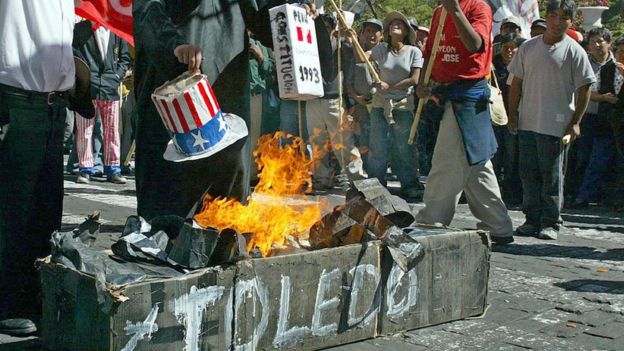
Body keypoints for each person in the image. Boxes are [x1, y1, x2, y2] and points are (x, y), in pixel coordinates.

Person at [0, 0, 76, 335]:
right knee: (13, 212)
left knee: (46, 212)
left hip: (53, 104)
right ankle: (7, 303)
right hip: (17, 99)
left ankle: (35, 297)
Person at [415, 0, 514, 244]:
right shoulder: (439, 11)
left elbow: (475, 44)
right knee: (475, 163)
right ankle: (497, 224)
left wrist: (455, 11)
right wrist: (423, 81)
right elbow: (431, 51)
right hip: (444, 92)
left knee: (446, 159)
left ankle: (432, 219)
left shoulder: (479, 7)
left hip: (467, 95)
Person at [507, 0, 595, 240]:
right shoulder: (528, 48)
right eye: (553, 16)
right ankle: (531, 219)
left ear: (571, 21)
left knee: (552, 177)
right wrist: (512, 113)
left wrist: (576, 121)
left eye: (563, 18)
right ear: (547, 17)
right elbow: (516, 82)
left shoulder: (574, 50)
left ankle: (551, 222)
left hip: (556, 126)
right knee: (529, 174)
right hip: (527, 122)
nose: (557, 23)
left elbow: (585, 87)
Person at [357, 11, 423, 199]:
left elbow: (414, 79)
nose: (395, 25)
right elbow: (362, 58)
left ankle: (409, 183)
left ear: (406, 32)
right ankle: (375, 184)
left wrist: (390, 86)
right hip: (380, 104)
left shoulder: (414, 52)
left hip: (402, 105)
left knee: (403, 146)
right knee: (377, 145)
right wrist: (353, 38)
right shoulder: (381, 49)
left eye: (400, 24)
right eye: (392, 23)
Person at [73, 20, 131, 184]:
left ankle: (113, 168)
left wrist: (117, 76)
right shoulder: (80, 29)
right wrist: (83, 78)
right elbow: (74, 54)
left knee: (112, 130)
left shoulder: (116, 29)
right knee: (85, 130)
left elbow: (125, 58)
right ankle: (85, 169)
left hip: (110, 87)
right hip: (86, 88)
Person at [568, 27, 615, 209]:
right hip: (585, 116)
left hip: (608, 120)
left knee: (600, 158)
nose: (596, 45)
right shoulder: (583, 62)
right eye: (592, 41)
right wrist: (601, 97)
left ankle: (587, 195)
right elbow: (580, 90)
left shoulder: (616, 64)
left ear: (608, 43)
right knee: (581, 157)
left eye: (600, 41)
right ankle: (577, 194)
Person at [492, 33, 526, 208]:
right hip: (494, 117)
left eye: (513, 47)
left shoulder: (524, 64)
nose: (509, 51)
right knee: (494, 156)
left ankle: (512, 193)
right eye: (506, 47)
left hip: (514, 117)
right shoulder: (492, 65)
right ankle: (493, 192)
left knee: (512, 158)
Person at [346, 18, 383, 174]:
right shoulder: (354, 54)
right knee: (363, 142)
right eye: (368, 31)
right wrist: (356, 98)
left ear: (382, 35)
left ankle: (378, 174)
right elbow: (348, 83)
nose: (371, 35)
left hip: (381, 104)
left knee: (379, 143)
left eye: (375, 31)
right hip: (361, 105)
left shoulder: (386, 52)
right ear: (362, 34)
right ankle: (366, 174)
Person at [594, 36, 624, 211]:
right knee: (599, 159)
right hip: (607, 121)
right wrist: (603, 98)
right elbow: (591, 91)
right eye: (620, 51)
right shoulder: (607, 69)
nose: (622, 55)